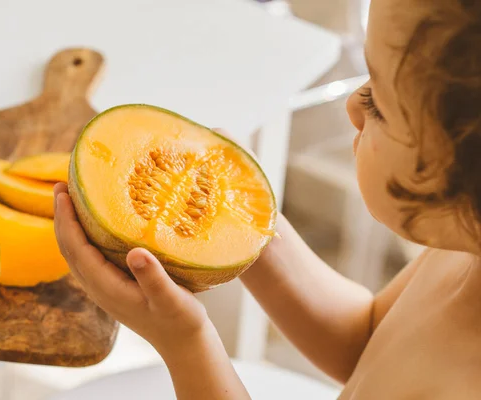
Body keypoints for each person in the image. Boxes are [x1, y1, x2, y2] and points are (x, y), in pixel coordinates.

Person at [53, 0, 481, 397]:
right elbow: (363, 341)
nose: (354, 106)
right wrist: (249, 224)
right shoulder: (465, 244)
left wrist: (185, 343)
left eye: (380, 103)